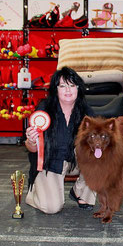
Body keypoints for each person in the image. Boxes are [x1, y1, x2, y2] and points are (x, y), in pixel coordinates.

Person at [24, 67, 96, 214]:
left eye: (72, 85)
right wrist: (31, 140)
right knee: (52, 208)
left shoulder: (86, 111)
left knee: (99, 155)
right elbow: (32, 149)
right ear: (55, 89)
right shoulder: (44, 109)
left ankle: (81, 192)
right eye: (62, 86)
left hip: (75, 161)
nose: (68, 90)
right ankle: (35, 192)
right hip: (50, 163)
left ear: (78, 88)